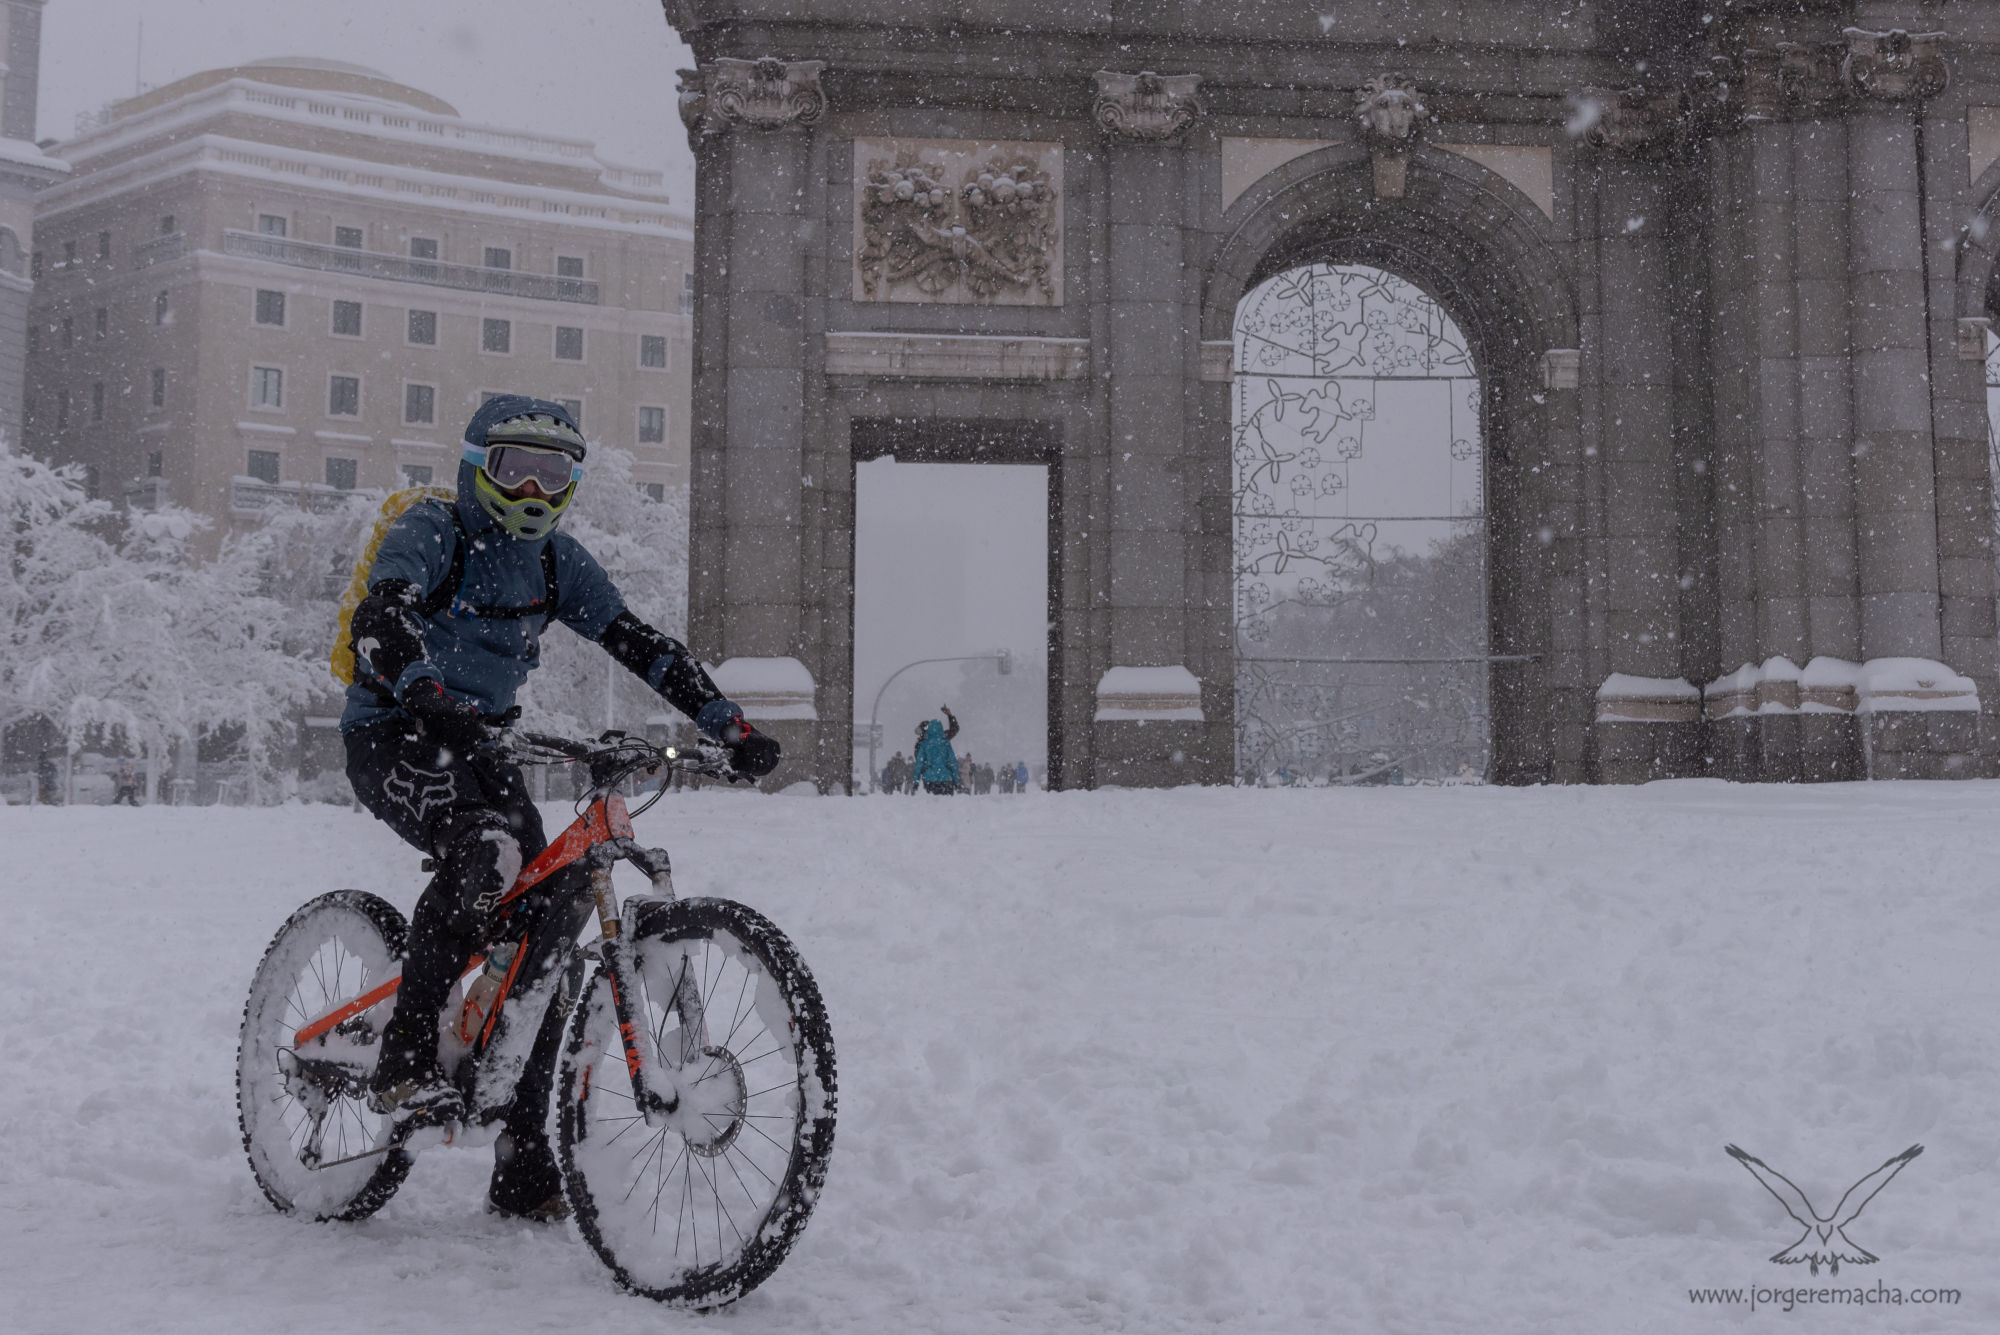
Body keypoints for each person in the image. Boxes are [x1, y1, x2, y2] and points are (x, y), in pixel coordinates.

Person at [339, 395, 779, 1221]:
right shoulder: (437, 532)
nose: (536, 490)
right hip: (396, 731)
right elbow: (383, 611)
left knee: (547, 927)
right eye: (516, 468)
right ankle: (404, 1056)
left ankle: (522, 1157)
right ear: (476, 465)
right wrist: (418, 684)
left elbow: (640, 643)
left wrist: (727, 720)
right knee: (487, 858)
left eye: (556, 472)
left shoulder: (555, 563)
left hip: (482, 744)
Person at [911, 705, 960, 795]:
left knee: (933, 804)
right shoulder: (943, 740)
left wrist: (916, 781)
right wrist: (956, 781)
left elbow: (919, 763)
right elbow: (953, 762)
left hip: (929, 779)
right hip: (946, 778)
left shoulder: (922, 744)